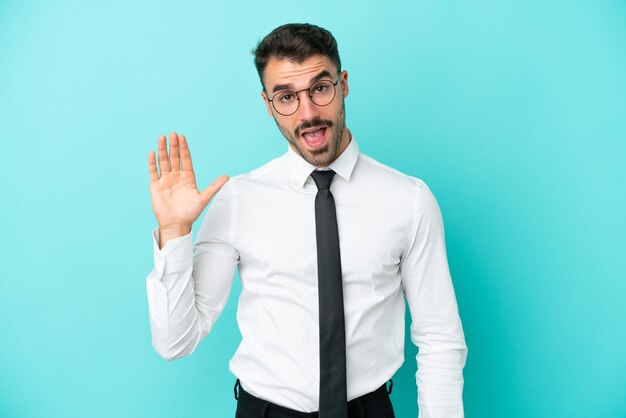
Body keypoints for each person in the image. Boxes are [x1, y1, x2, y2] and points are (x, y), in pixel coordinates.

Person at [146, 23, 467, 418]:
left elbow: (439, 337)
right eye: (286, 97)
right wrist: (175, 233)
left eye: (320, 88)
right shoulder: (237, 201)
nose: (309, 113)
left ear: (343, 84)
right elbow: (175, 342)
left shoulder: (410, 200)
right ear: (268, 104)